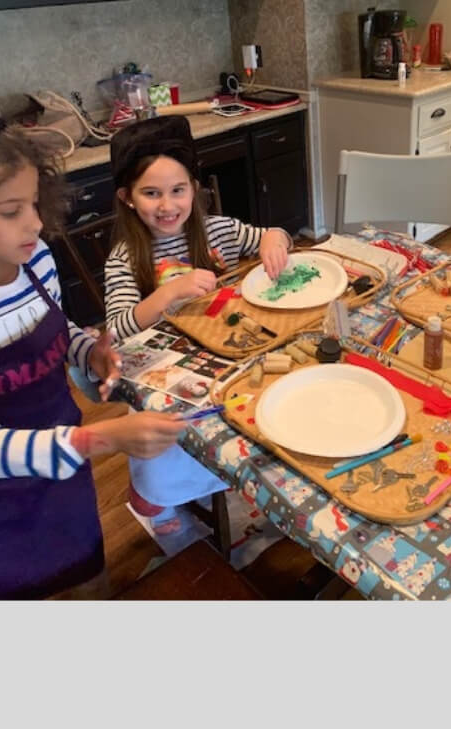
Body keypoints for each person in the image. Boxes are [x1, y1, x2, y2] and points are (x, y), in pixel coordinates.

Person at [0, 108, 185, 600]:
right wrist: (102, 440)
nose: (36, 224)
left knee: (86, 580)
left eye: (35, 203)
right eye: (11, 210)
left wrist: (88, 351)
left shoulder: (33, 258)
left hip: (64, 470)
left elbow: (58, 332)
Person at [104, 115, 292, 536]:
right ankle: (154, 498)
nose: (167, 205)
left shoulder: (216, 231)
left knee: (258, 413)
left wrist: (273, 240)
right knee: (172, 445)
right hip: (165, 377)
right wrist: (168, 293)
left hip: (227, 356)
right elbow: (117, 328)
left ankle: (231, 481)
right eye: (151, 193)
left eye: (178, 190)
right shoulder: (124, 257)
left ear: (194, 188)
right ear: (128, 197)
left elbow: (272, 234)